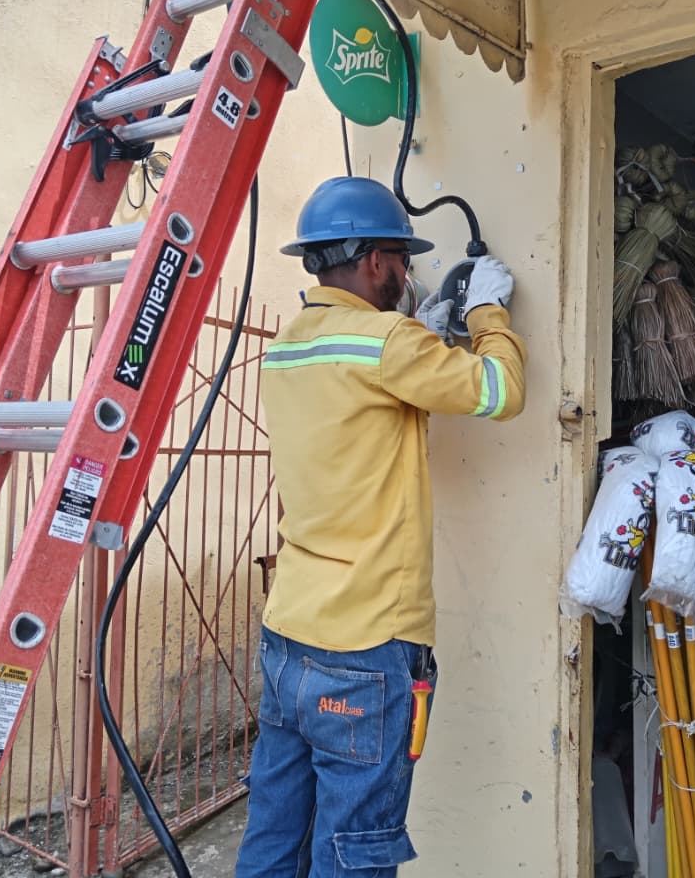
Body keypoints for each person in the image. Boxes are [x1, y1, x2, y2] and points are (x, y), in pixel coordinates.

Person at [234, 177, 526, 878]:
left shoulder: (290, 345)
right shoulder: (389, 343)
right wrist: (487, 313)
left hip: (288, 637)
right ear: (373, 262)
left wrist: (424, 336)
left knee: (274, 836)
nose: (406, 273)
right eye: (401, 259)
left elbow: (359, 402)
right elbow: (501, 391)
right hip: (366, 649)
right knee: (353, 850)